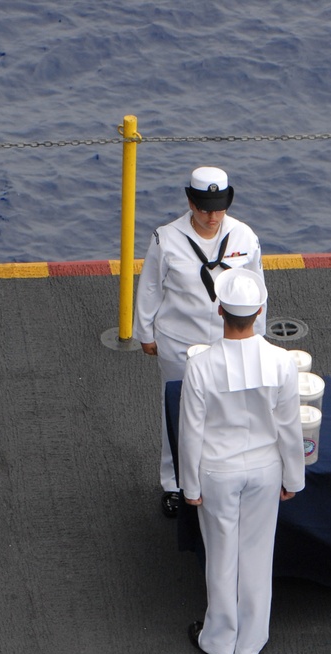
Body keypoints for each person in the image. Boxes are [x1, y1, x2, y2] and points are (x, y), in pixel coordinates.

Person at [181, 268, 305, 654]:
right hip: (265, 468)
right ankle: (251, 641)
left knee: (221, 556)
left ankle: (218, 639)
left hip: (217, 469)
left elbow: (190, 431)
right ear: (260, 311)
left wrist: (189, 486)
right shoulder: (282, 362)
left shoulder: (201, 365)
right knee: (256, 555)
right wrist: (293, 477)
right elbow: (289, 426)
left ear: (219, 310)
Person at [133, 166, 264, 517]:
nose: (212, 216)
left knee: (230, 411)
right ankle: (174, 484)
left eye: (218, 208)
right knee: (176, 412)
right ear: (190, 202)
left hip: (230, 341)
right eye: (204, 207)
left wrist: (259, 336)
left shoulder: (244, 237)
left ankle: (222, 478)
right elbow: (150, 286)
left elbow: (256, 289)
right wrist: (144, 332)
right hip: (179, 341)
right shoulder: (166, 238)